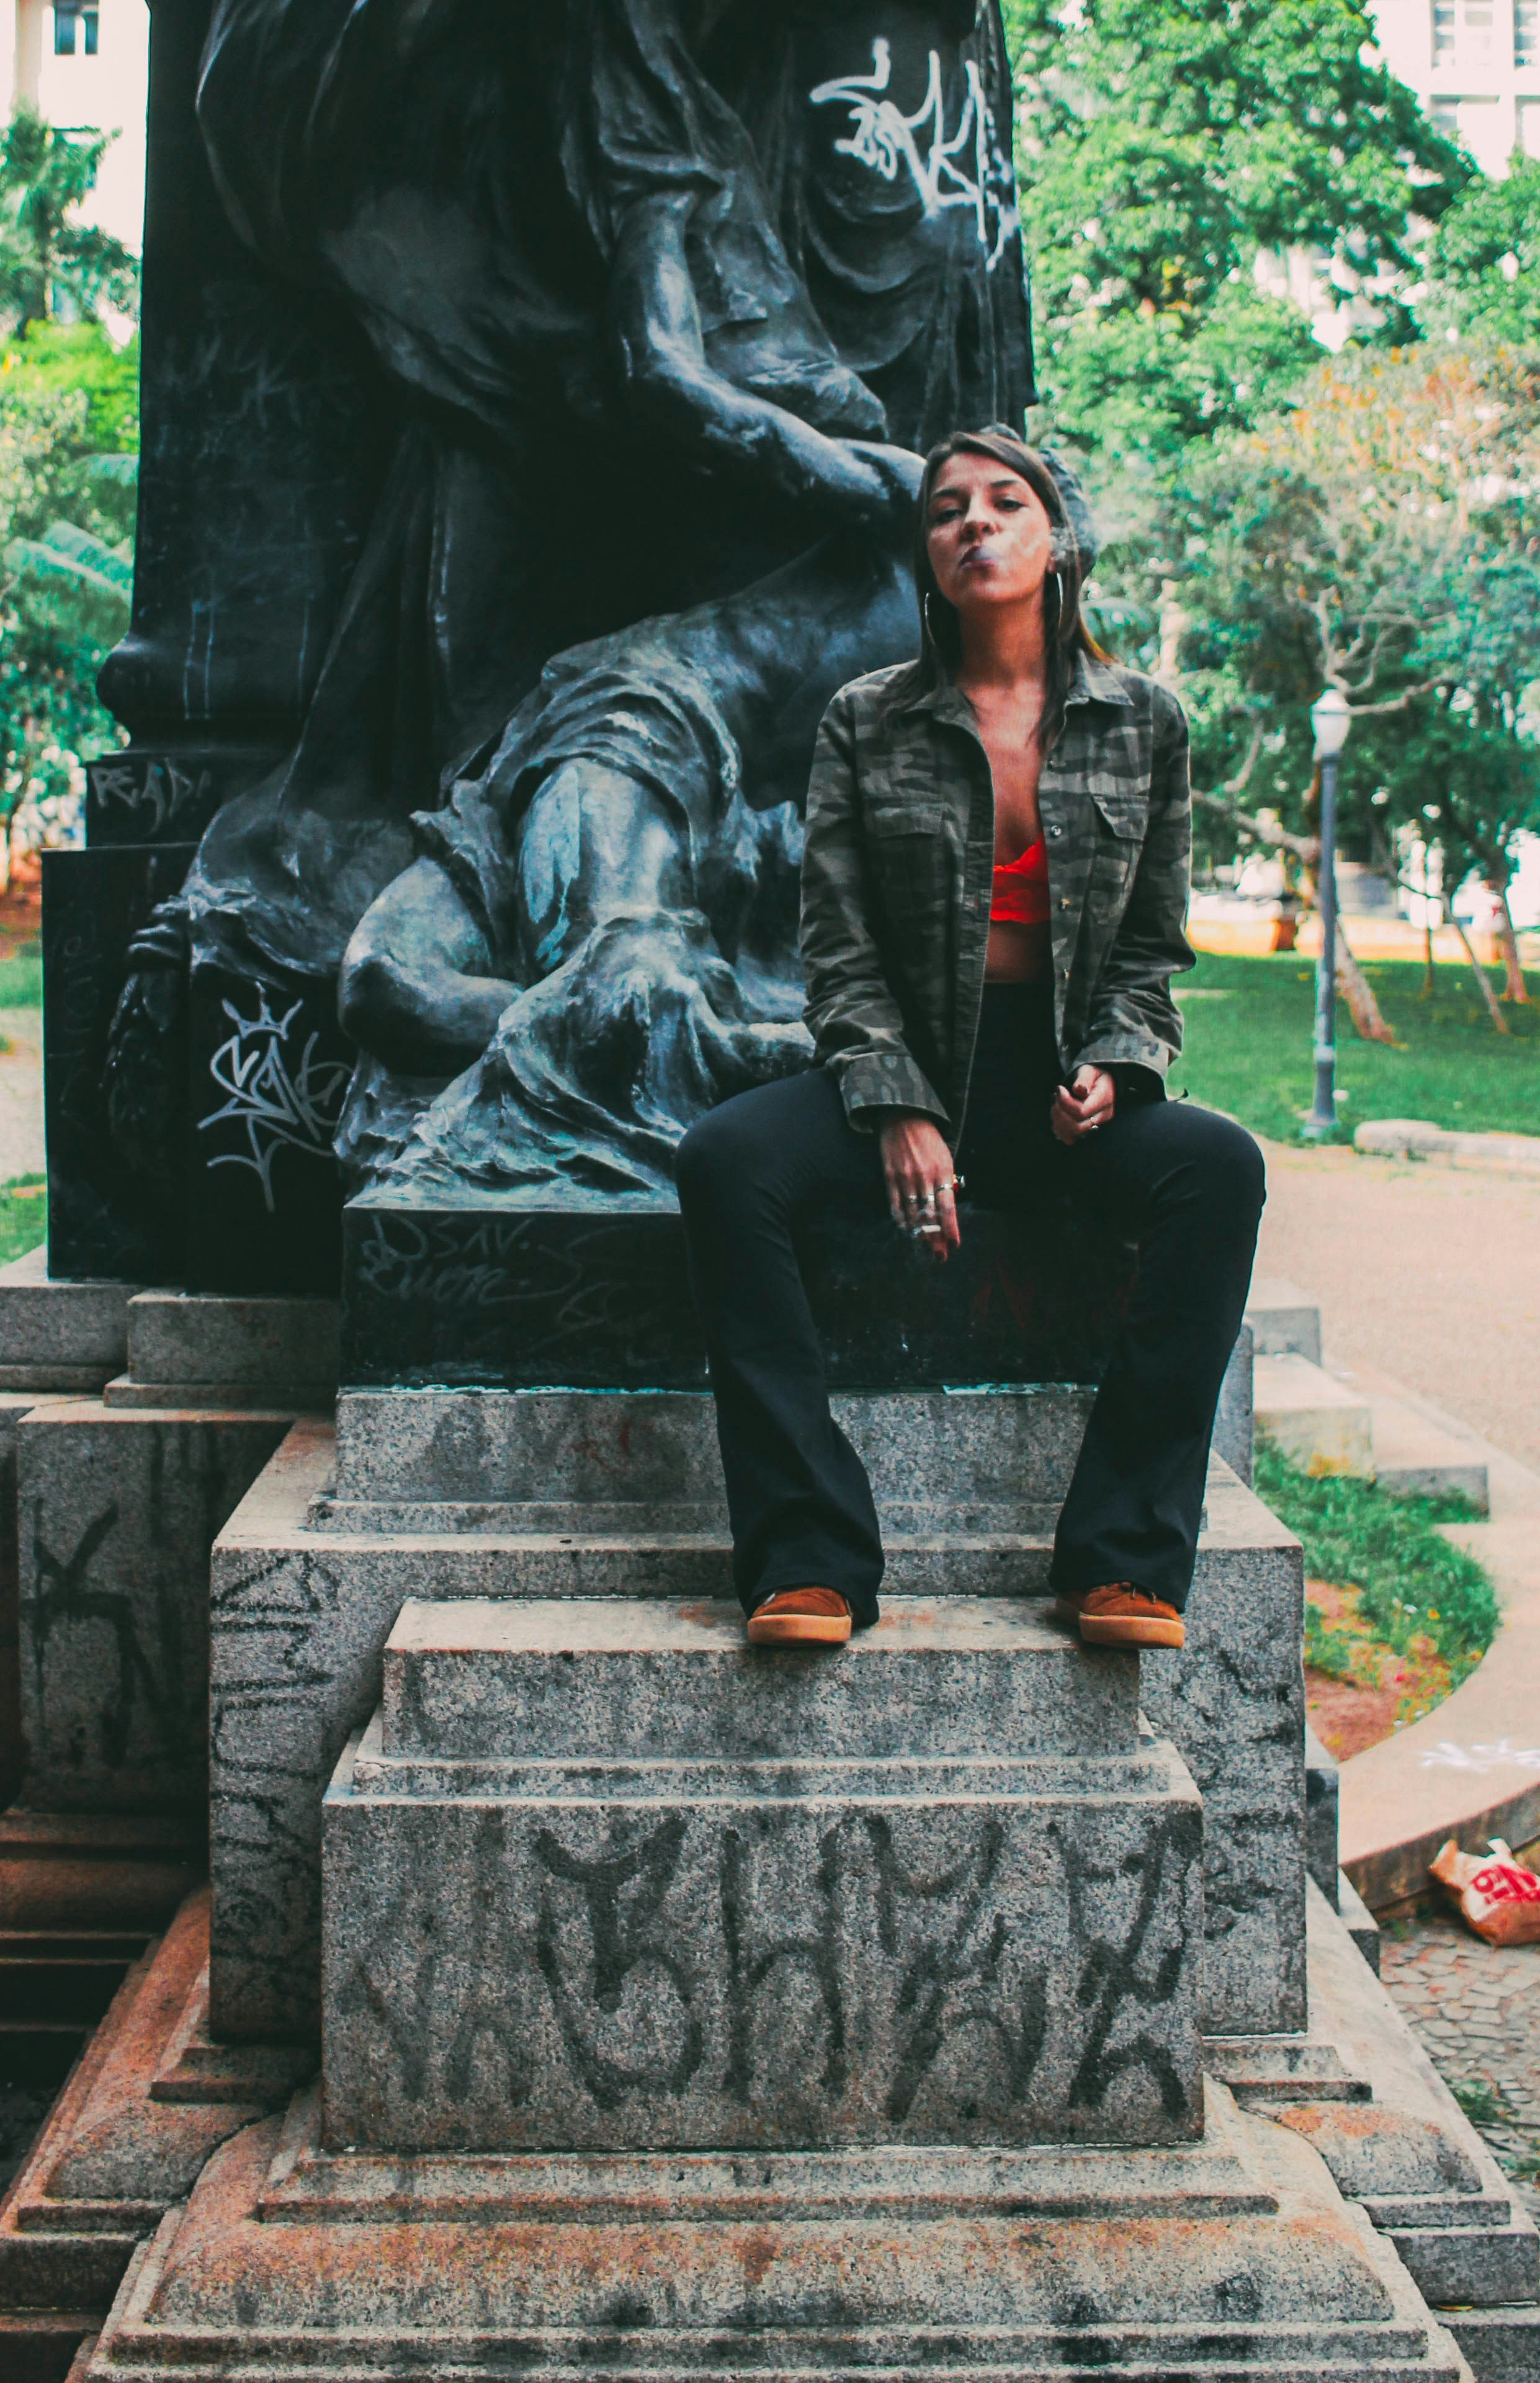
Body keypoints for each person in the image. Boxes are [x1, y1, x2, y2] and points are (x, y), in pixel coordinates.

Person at [674, 426, 1266, 1653]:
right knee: (725, 1160)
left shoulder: (1144, 724)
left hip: (1059, 1093)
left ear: (1056, 541)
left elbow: (1151, 947)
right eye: (946, 510)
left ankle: (1121, 1562)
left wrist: (1119, 1063)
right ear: (927, 556)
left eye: (1004, 503)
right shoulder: (866, 720)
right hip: (906, 1074)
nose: (973, 524)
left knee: (1218, 1169)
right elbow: (836, 951)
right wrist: (897, 1106)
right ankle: (808, 1557)